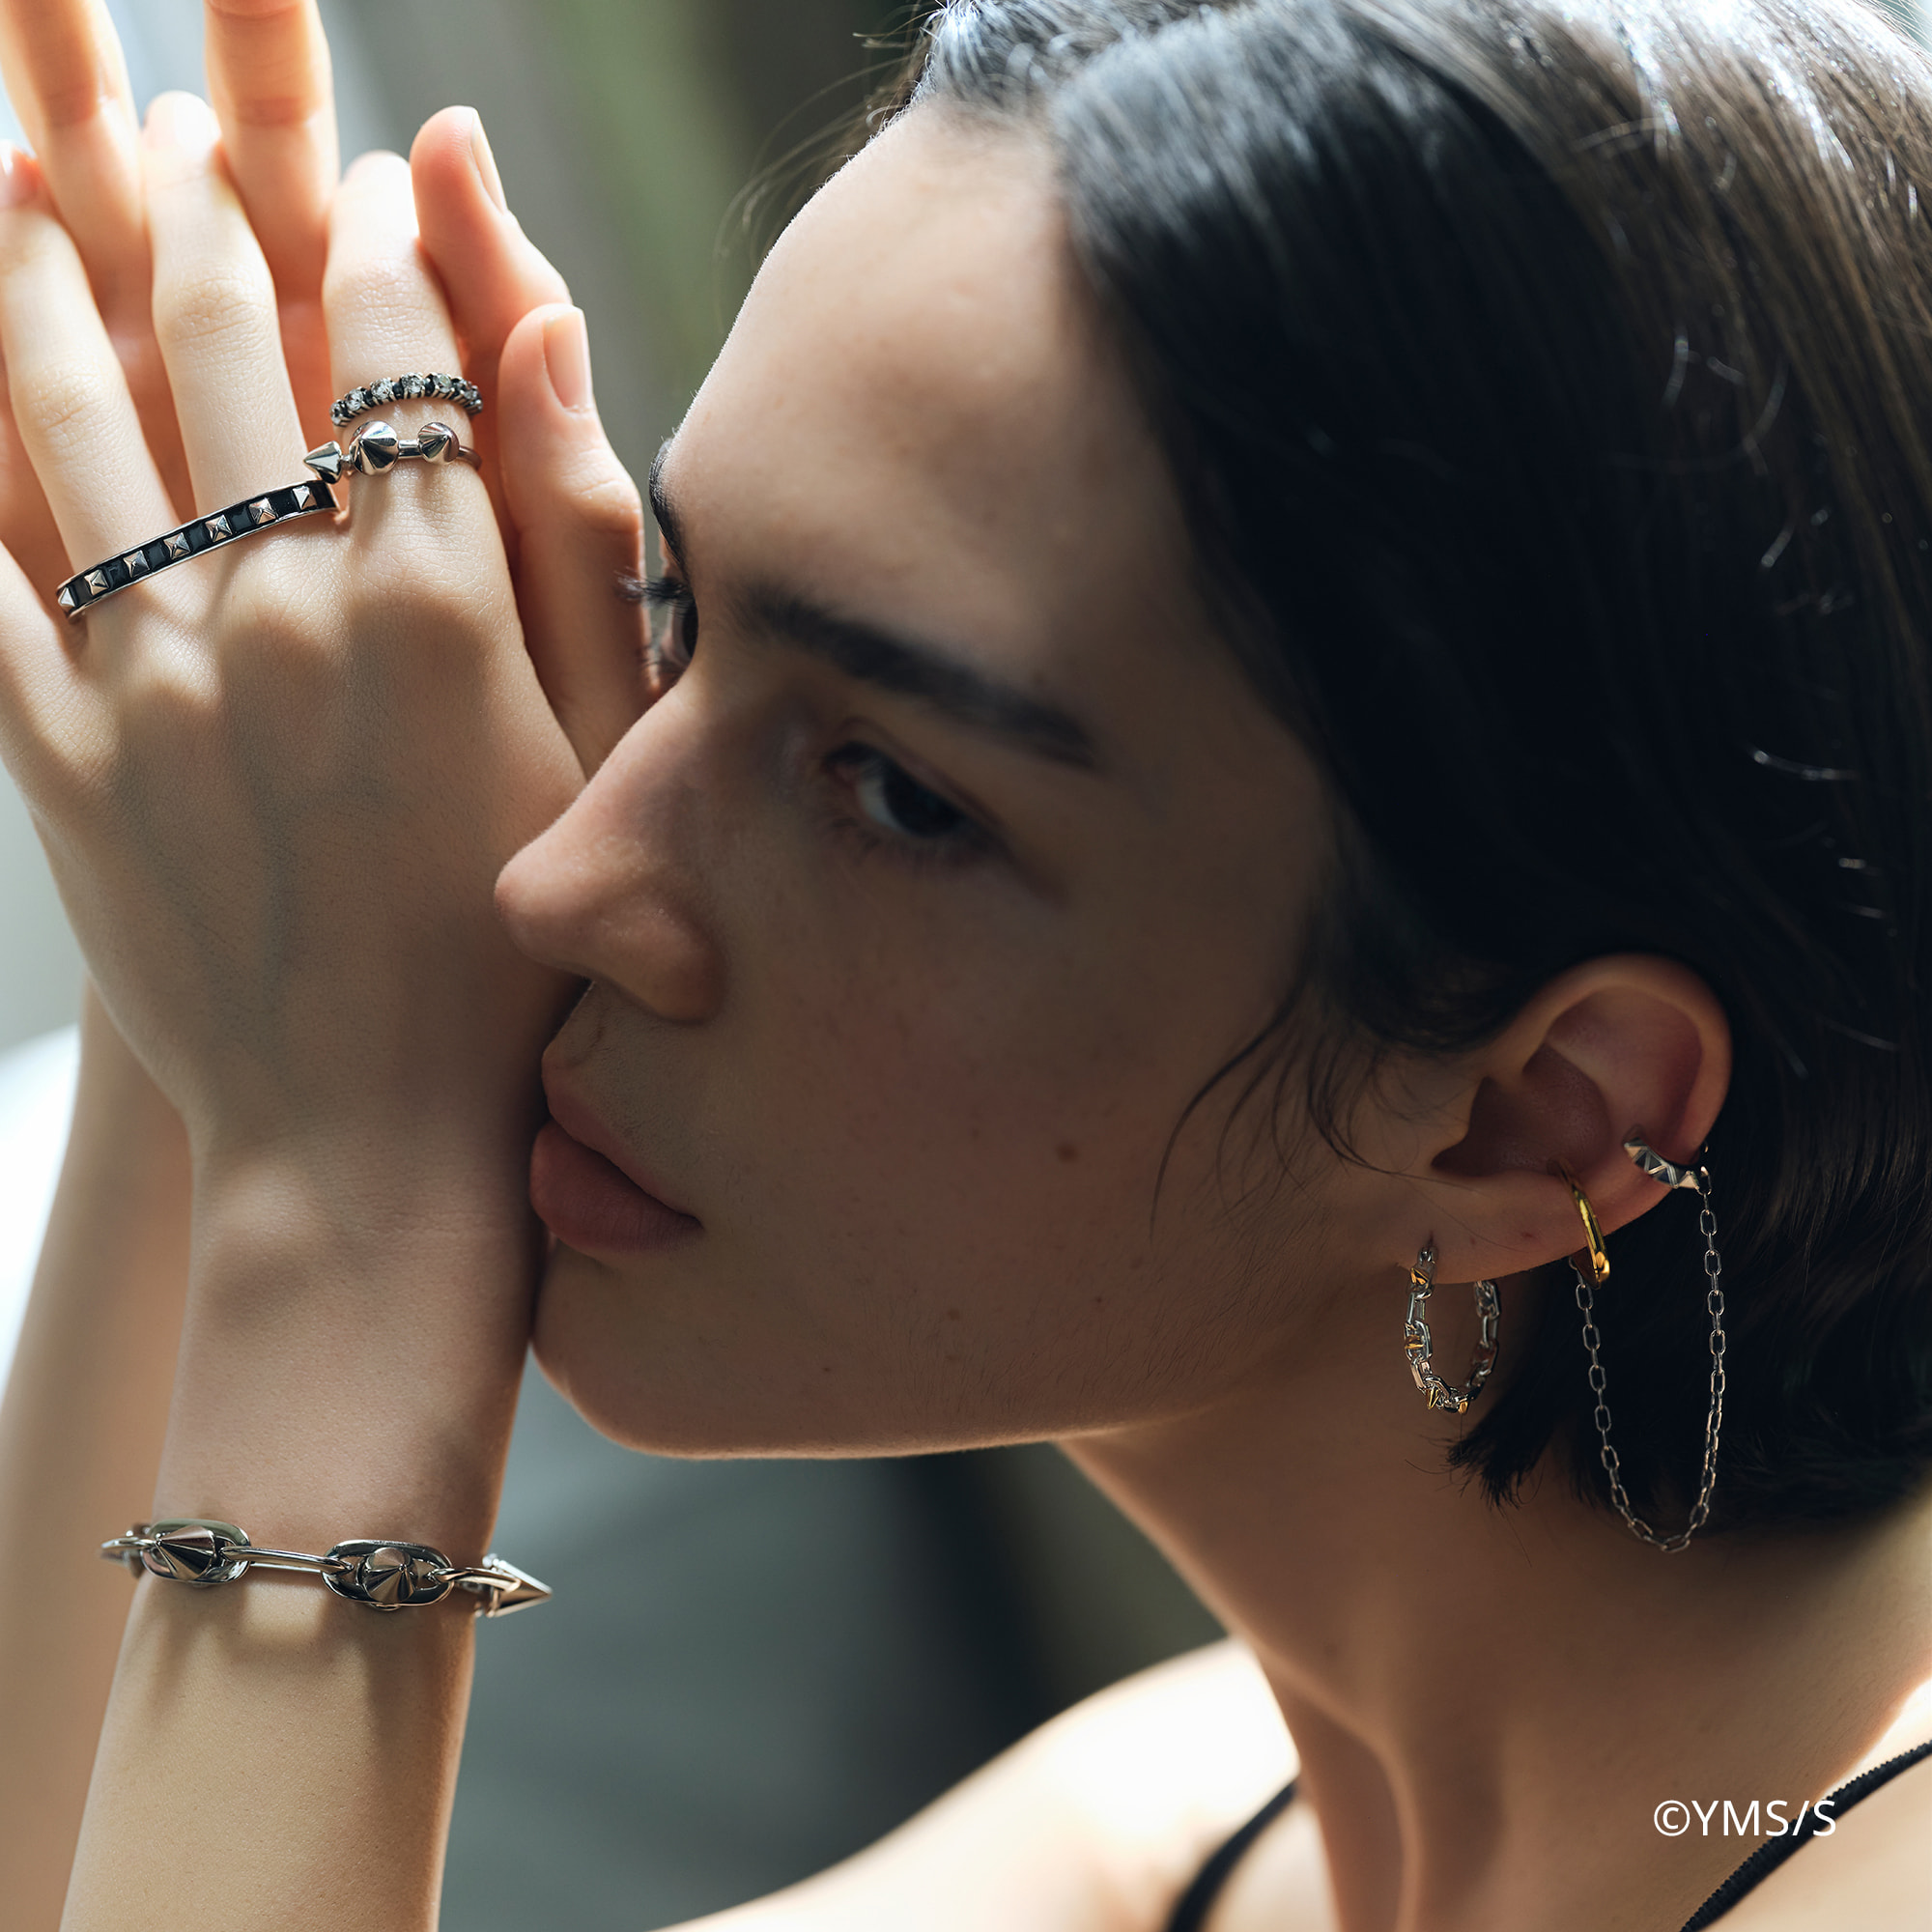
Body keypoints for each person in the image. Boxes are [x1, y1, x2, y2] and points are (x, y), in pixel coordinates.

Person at [0, 0, 1926, 1926]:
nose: (560, 882)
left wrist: (335, 1206)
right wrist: (240, 936)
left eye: (898, 793)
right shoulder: (1194, 1834)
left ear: (1539, 1117)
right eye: (677, 609)